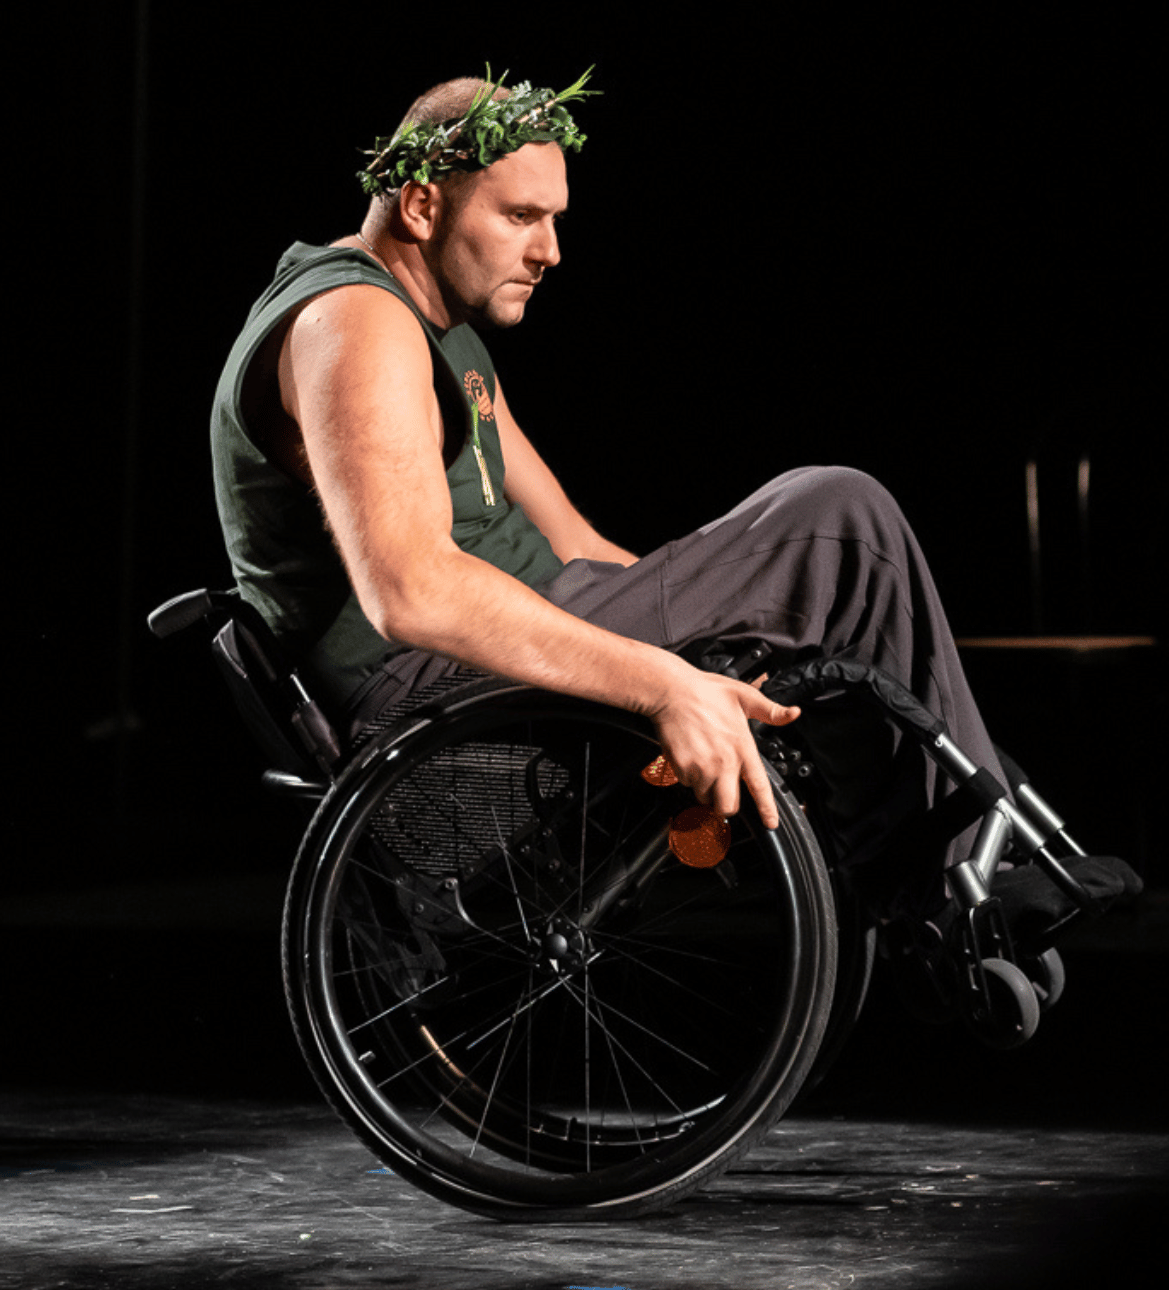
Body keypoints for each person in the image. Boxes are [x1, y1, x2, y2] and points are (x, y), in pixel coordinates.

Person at [209, 72, 1011, 877]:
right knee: (839, 517)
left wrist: (727, 634)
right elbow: (410, 590)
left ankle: (946, 869)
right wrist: (661, 681)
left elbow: (573, 541)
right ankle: (979, 886)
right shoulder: (356, 320)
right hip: (438, 694)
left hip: (535, 625)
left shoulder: (445, 333)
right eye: (521, 216)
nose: (550, 250)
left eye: (554, 219)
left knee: (831, 596)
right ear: (421, 207)